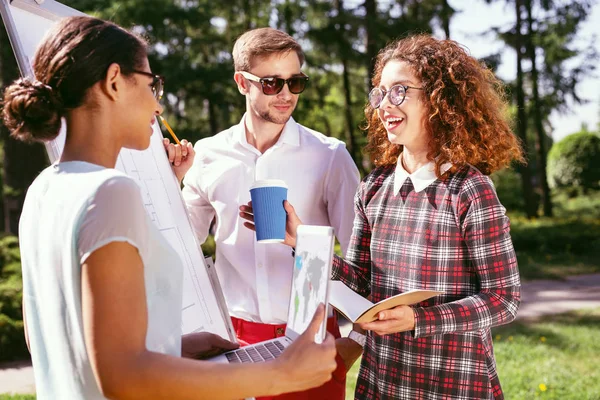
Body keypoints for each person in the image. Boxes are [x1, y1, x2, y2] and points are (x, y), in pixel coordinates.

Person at [4, 16, 337, 400]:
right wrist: (280, 374)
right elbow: (122, 378)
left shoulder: (43, 190)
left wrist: (172, 347)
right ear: (115, 82)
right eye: (152, 84)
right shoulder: (111, 192)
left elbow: (47, 338)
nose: (158, 104)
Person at [241, 34, 522, 400]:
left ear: (440, 100)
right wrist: (301, 242)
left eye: (400, 91)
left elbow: (504, 298)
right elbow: (359, 281)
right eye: (381, 93)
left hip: (452, 383)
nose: (385, 105)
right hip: (382, 382)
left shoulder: (469, 189)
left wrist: (419, 319)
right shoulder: (373, 187)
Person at [181, 27, 361, 399]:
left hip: (310, 340)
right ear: (241, 83)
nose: (285, 95)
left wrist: (354, 342)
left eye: (295, 82)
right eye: (271, 83)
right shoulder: (208, 154)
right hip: (232, 343)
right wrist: (172, 182)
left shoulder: (330, 156)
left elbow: (364, 258)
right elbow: (184, 243)